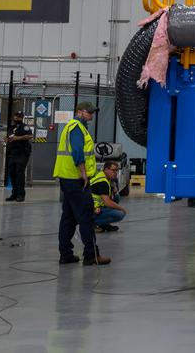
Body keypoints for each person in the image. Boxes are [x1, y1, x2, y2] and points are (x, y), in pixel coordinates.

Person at [53, 102, 109, 266]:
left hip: (67, 178)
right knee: (86, 217)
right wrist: (84, 173)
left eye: (92, 113)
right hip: (77, 179)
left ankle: (66, 254)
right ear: (78, 112)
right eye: (88, 113)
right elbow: (77, 151)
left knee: (68, 217)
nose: (91, 116)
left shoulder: (72, 127)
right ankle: (91, 254)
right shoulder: (76, 127)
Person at [90, 161, 127, 233]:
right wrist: (122, 209)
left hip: (97, 206)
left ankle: (104, 224)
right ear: (106, 169)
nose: (115, 172)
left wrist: (114, 190)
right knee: (120, 214)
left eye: (117, 170)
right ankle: (92, 223)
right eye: (113, 170)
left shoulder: (107, 178)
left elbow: (112, 198)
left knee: (116, 197)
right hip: (91, 209)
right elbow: (107, 202)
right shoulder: (102, 182)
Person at [4, 113, 33, 202]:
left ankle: (21, 194)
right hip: (12, 153)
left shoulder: (25, 127)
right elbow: (8, 137)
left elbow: (30, 136)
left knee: (19, 174)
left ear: (22, 118)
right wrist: (7, 139)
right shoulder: (11, 127)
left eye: (18, 117)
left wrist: (18, 138)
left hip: (22, 154)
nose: (16, 118)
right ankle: (14, 193)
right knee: (12, 173)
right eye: (15, 116)